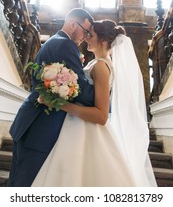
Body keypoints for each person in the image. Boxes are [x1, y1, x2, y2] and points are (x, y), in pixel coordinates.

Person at [32, 19, 157, 187]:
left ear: (103, 40)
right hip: (76, 126)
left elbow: (101, 115)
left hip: (86, 131)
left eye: (91, 35)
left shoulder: (100, 66)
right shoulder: (96, 63)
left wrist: (57, 103)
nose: (86, 38)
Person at [7, 8, 95, 187]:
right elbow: (80, 90)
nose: (86, 37)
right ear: (72, 24)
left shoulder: (55, 41)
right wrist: (104, 95)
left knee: (19, 183)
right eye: (85, 31)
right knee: (23, 186)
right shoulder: (65, 45)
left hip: (32, 122)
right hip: (40, 128)